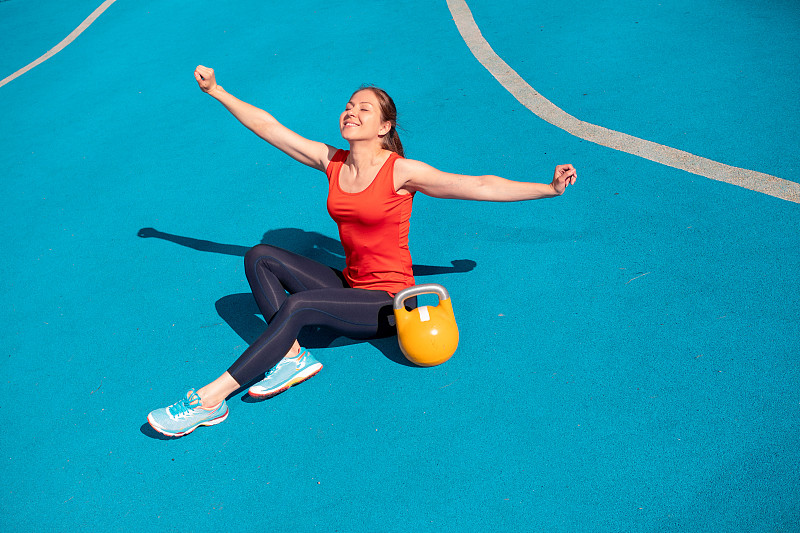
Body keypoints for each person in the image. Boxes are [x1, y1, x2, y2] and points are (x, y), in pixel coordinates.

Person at [146, 65, 577, 437]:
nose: (351, 111)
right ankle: (292, 358)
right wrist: (218, 91)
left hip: (386, 303)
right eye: (348, 105)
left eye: (364, 108)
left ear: (384, 127)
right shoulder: (332, 162)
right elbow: (271, 128)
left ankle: (209, 400)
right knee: (259, 255)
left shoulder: (400, 172)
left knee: (298, 307)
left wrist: (549, 190)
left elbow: (478, 184)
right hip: (352, 284)